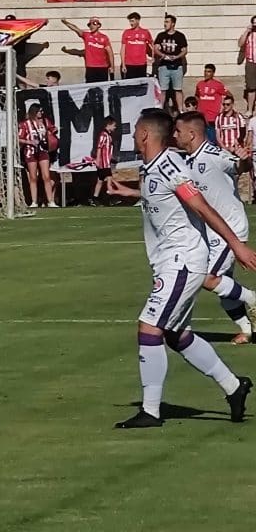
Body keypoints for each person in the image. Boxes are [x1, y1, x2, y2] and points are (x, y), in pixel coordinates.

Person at [108, 109, 255, 428]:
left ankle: (150, 411)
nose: (133, 136)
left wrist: (235, 245)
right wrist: (130, 192)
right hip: (169, 262)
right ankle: (234, 387)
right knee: (176, 334)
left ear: (145, 134)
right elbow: (166, 198)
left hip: (183, 261)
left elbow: (201, 206)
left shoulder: (170, 165)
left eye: (135, 131)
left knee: (149, 327)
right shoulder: (153, 167)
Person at [175, 111, 256, 344]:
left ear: (191, 134)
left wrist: (243, 159)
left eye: (178, 131)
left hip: (229, 228)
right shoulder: (187, 160)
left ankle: (252, 298)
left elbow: (238, 166)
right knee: (224, 288)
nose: (175, 135)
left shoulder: (212, 154)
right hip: (211, 231)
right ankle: (247, 330)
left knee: (207, 277)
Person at [17, 104, 58, 209]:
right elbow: (18, 138)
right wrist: (29, 141)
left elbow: (53, 130)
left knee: (46, 176)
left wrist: (51, 135)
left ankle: (50, 201)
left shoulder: (45, 121)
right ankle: (34, 201)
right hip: (30, 152)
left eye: (41, 111)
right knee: (33, 177)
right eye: (39, 111)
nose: (41, 113)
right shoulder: (25, 124)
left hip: (43, 151)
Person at [154, 14, 188, 115]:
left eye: (167, 22)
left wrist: (177, 57)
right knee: (163, 89)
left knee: (178, 89)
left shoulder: (180, 36)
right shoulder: (161, 35)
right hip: (164, 66)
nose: (165, 24)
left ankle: (180, 110)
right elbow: (155, 48)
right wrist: (163, 55)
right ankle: (160, 109)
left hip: (177, 66)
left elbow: (185, 50)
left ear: (173, 23)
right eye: (165, 22)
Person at [60, 18, 114, 83]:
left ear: (98, 25)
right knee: (90, 88)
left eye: (94, 24)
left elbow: (110, 52)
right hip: (90, 67)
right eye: (89, 25)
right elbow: (75, 29)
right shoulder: (87, 35)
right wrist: (66, 22)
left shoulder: (104, 37)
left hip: (103, 67)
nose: (91, 26)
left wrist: (112, 66)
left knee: (102, 88)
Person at [195, 63, 227, 144]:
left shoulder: (218, 85)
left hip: (212, 116)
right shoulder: (200, 84)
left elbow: (228, 95)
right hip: (201, 115)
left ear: (213, 73)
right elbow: (196, 96)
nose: (206, 73)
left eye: (209, 71)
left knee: (212, 139)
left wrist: (222, 107)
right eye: (205, 71)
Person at [91, 116, 117, 206]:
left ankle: (95, 198)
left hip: (106, 162)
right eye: (114, 125)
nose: (115, 127)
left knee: (100, 180)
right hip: (103, 163)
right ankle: (111, 198)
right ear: (108, 125)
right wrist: (98, 159)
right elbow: (99, 147)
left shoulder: (109, 135)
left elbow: (108, 148)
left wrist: (111, 157)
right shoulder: (103, 135)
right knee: (109, 179)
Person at [120, 12, 153, 79]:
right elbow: (123, 49)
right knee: (130, 85)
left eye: (132, 21)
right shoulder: (126, 32)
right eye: (130, 21)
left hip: (141, 64)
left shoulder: (145, 32)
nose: (131, 23)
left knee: (141, 85)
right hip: (129, 64)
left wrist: (153, 57)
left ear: (138, 20)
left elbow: (152, 45)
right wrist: (123, 64)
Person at [237, 15, 256, 116]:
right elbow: (240, 44)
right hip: (251, 62)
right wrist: (247, 31)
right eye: (254, 23)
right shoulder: (248, 34)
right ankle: (250, 110)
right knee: (251, 87)